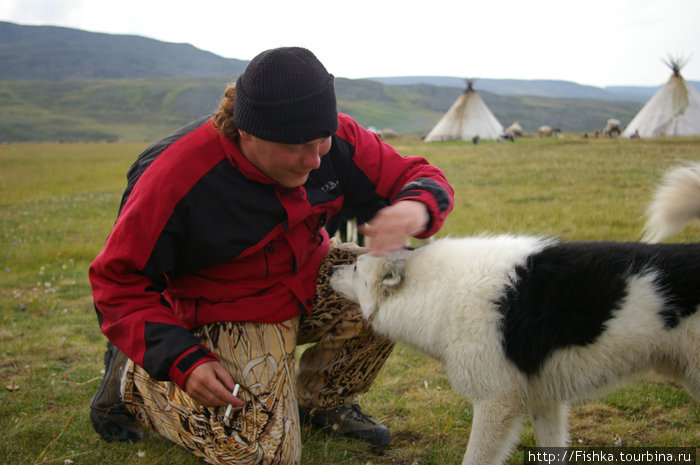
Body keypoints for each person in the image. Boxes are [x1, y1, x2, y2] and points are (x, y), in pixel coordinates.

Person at [88, 46, 454, 465]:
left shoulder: (334, 140)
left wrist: (416, 207)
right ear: (248, 132)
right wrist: (181, 360)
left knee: (399, 280)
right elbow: (117, 280)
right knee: (264, 456)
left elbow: (418, 175)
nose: (315, 160)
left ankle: (322, 402)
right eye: (297, 147)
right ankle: (135, 387)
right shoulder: (178, 177)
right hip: (228, 305)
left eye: (322, 141)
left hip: (306, 274)